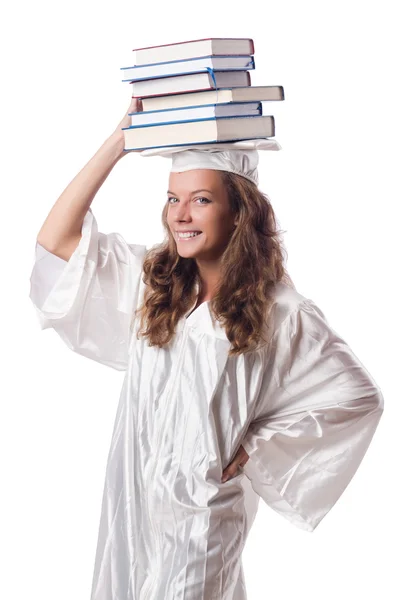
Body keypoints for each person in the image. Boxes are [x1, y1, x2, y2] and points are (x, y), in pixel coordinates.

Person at [29, 96, 384, 600]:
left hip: (201, 521)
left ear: (239, 211)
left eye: (201, 199)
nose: (181, 215)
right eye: (173, 199)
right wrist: (118, 144)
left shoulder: (280, 313)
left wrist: (255, 446)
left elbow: (356, 397)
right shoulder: (154, 286)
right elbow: (55, 241)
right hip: (131, 509)